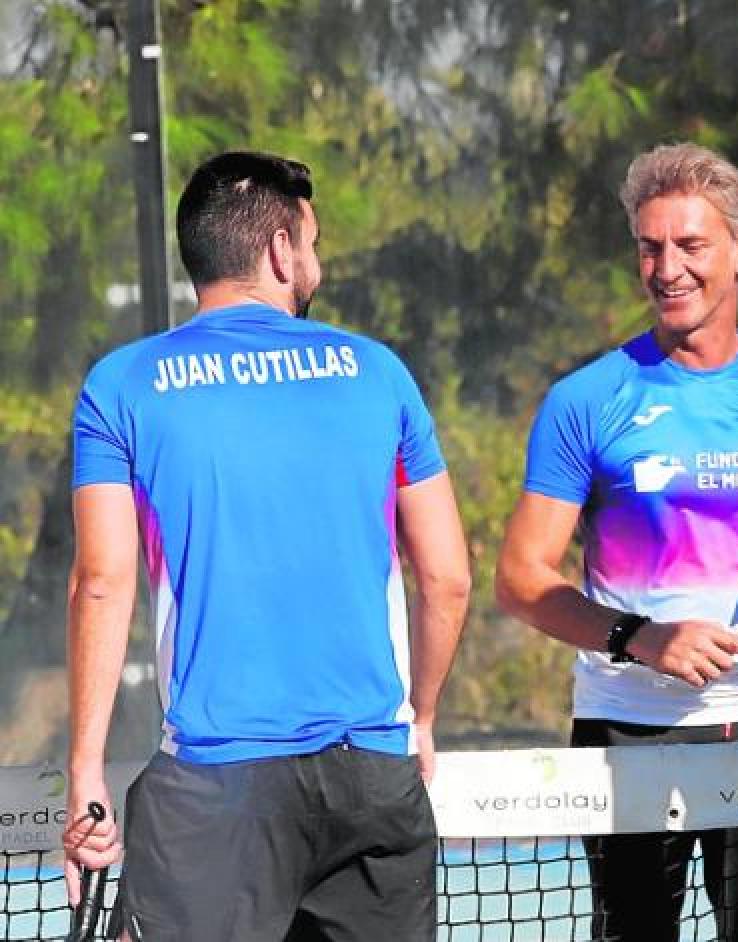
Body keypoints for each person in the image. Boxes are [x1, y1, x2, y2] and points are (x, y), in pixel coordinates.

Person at [61, 151, 471, 941]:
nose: (315, 263)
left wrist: (85, 772)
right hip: (371, 776)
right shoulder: (379, 373)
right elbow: (447, 579)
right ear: (282, 252)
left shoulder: (121, 384)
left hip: (215, 793)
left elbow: (101, 583)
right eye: (312, 243)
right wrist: (417, 719)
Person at [495, 142, 738, 942]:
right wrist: (640, 637)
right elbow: (520, 578)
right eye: (650, 247)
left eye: (690, 245)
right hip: (627, 728)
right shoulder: (584, 402)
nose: (667, 268)